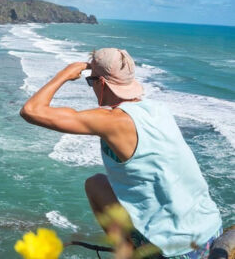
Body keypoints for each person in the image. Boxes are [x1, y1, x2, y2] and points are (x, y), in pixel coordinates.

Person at [19, 47, 223, 258]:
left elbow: (31, 111)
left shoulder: (113, 121)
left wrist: (65, 73)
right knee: (99, 182)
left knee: (94, 185)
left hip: (177, 251)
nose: (92, 87)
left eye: (91, 82)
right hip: (210, 232)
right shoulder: (158, 108)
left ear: (102, 83)